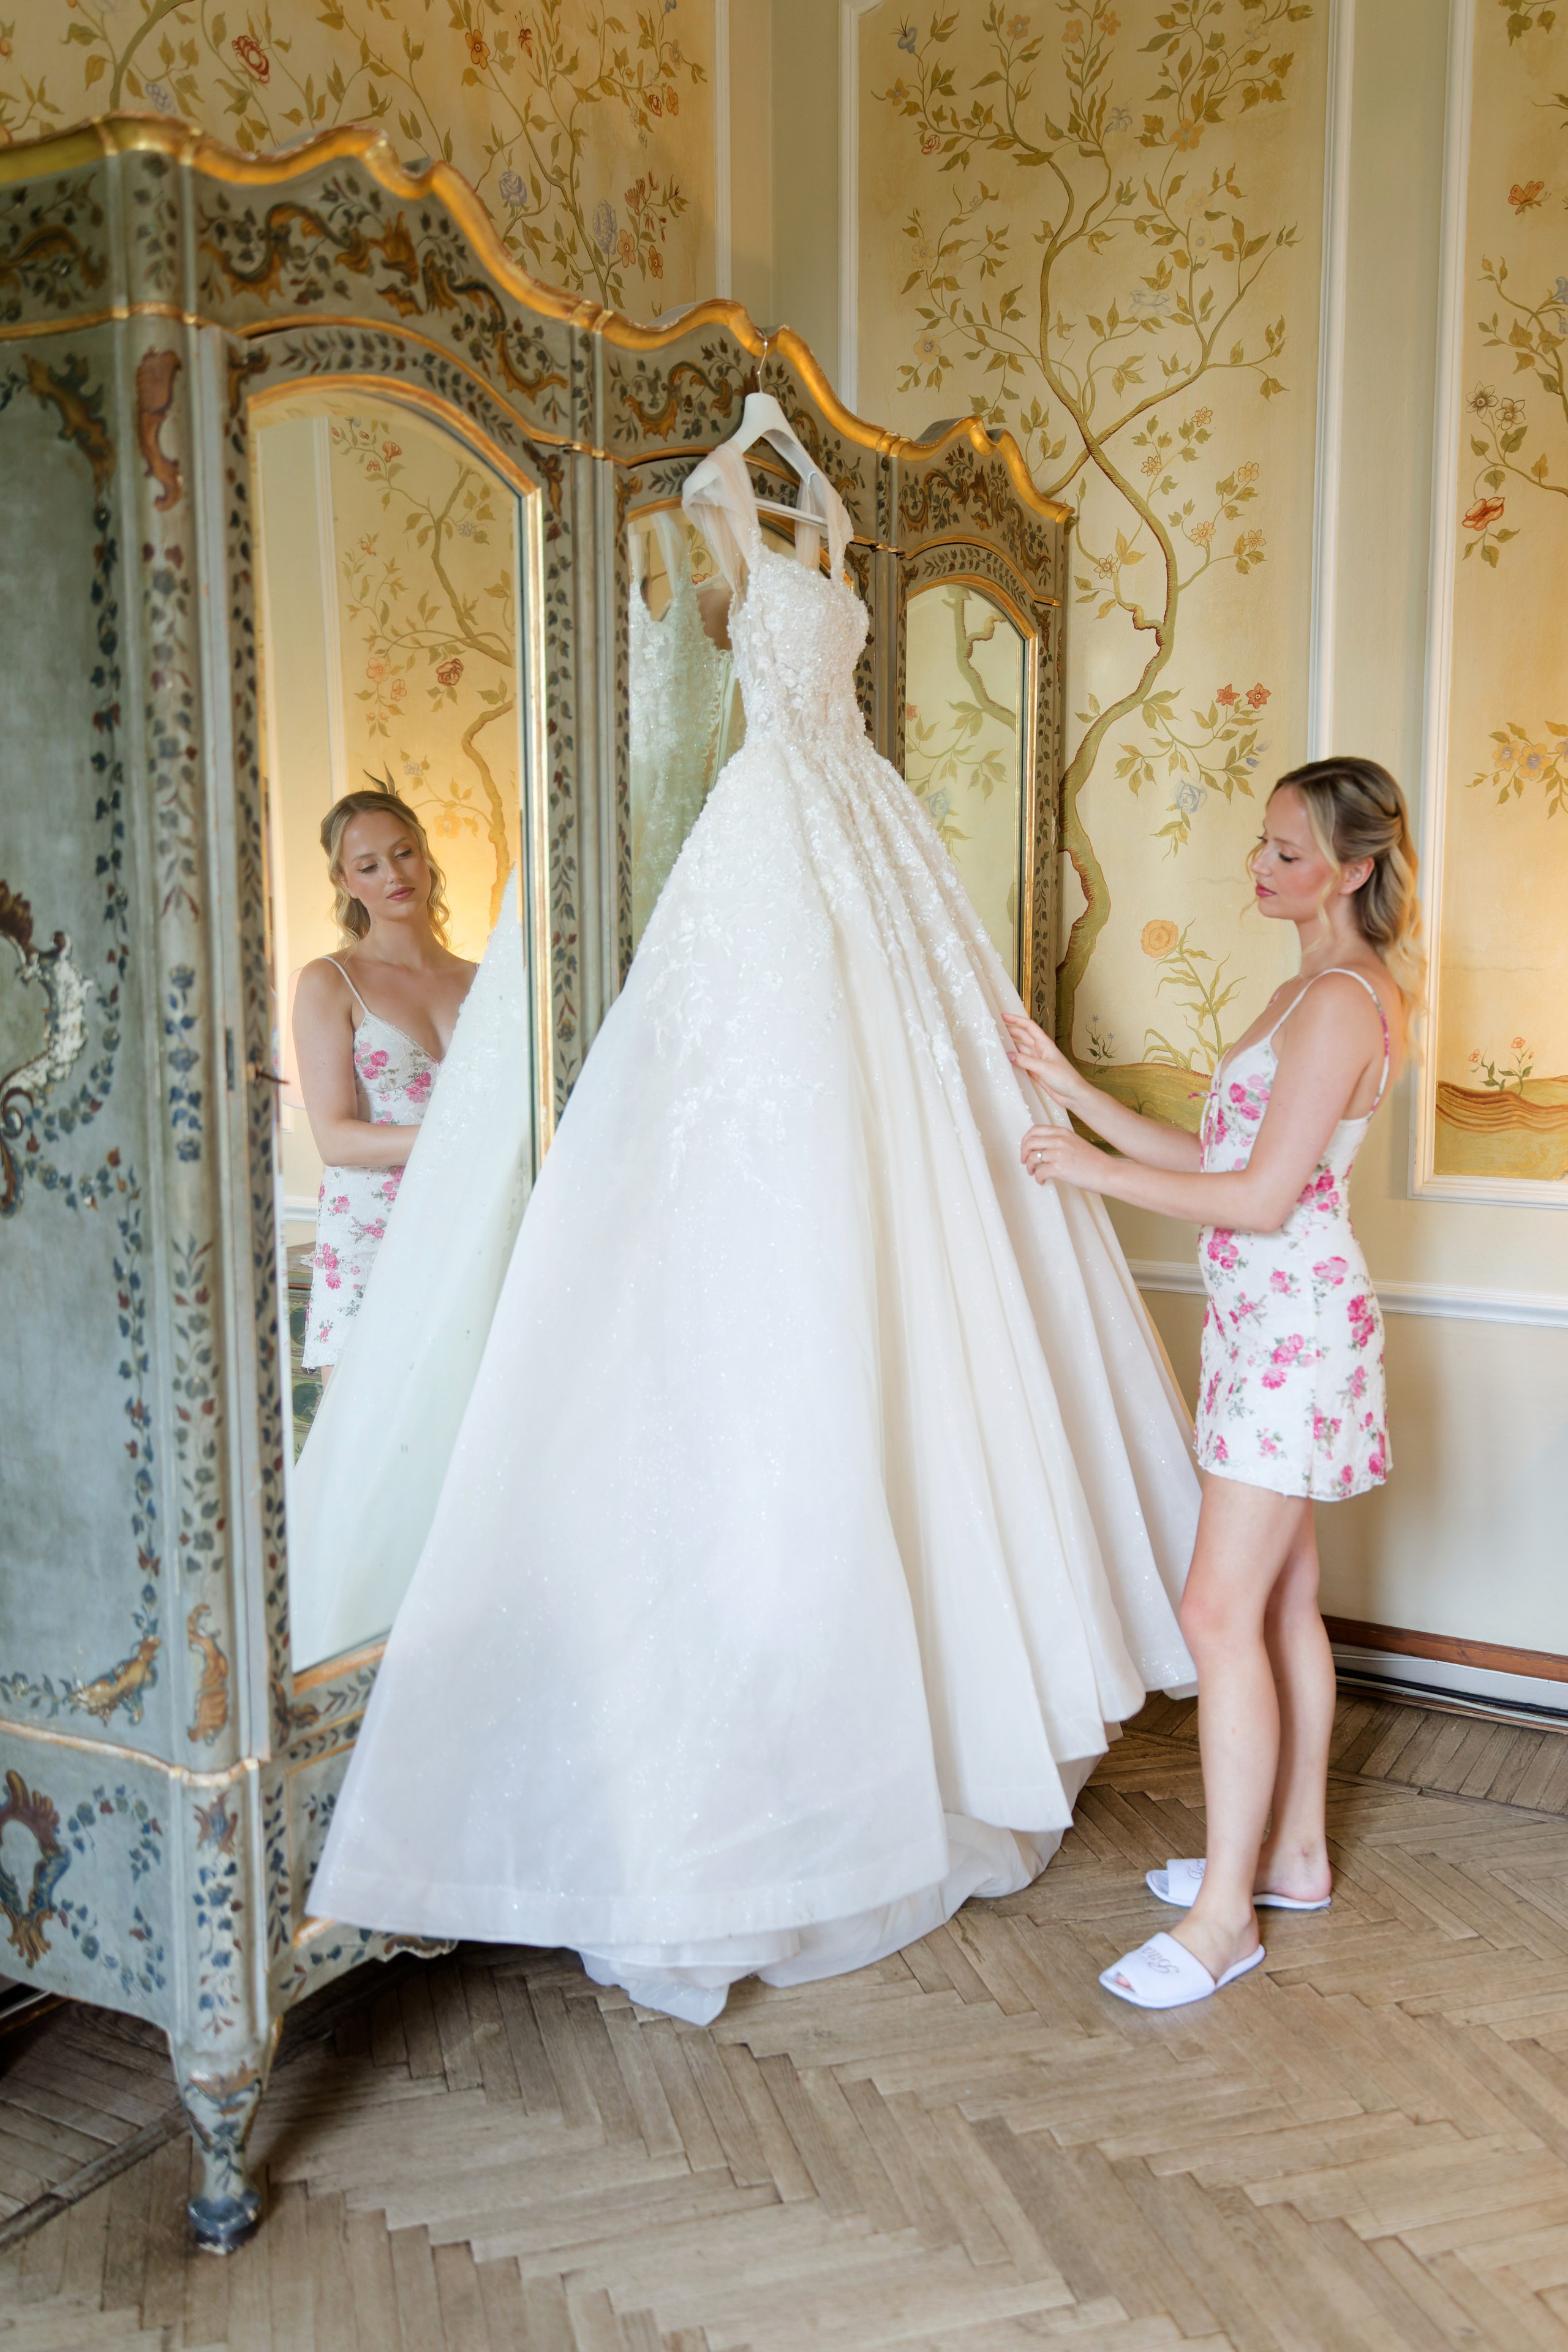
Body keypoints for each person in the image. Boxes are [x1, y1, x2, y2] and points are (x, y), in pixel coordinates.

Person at [309, 429, 1202, 2024]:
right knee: (767, 1181)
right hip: (776, 840)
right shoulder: (727, 501)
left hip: (848, 825)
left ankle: (906, 1727)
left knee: (898, 1196)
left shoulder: (831, 516)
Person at [1005, 757, 1422, 2011]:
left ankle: (1223, 1916)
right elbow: (1220, 1153)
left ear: (1350, 869)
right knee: (1281, 1600)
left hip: (1290, 1331)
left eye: (1285, 852)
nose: (1258, 865)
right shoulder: (1306, 987)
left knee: (1212, 1614)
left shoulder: (1343, 999)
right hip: (1270, 1325)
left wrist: (1087, 1177)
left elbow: (1252, 1198)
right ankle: (1288, 1857)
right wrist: (1074, 1103)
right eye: (1259, 844)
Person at [293, 789, 475, 1379]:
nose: (394, 874)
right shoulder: (329, 981)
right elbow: (336, 1140)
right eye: (369, 866)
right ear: (345, 882)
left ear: (426, 858)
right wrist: (456, 1135)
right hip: (373, 1234)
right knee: (366, 1440)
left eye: (404, 853)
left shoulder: (492, 979)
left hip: (469, 1218)